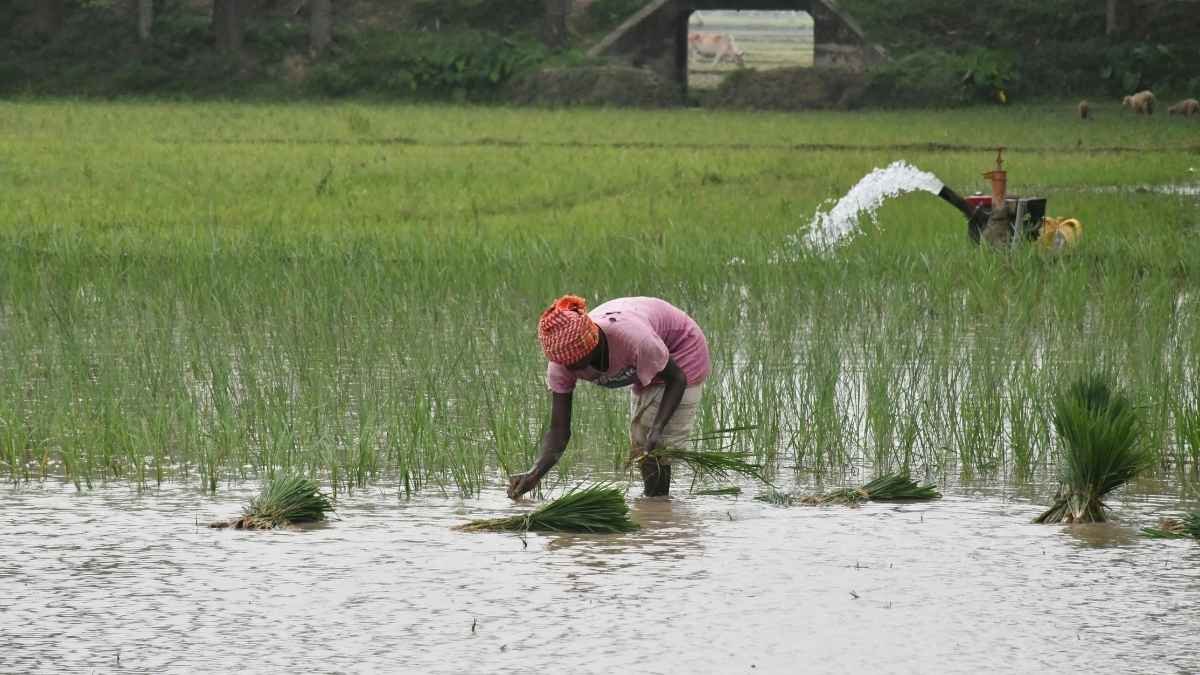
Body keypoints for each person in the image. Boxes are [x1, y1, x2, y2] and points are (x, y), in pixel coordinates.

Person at [507, 295, 710, 499]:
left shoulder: (633, 341)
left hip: (682, 353)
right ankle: (654, 507)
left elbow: (676, 379)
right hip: (649, 358)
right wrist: (535, 473)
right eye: (565, 364)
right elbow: (559, 430)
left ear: (592, 344)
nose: (571, 369)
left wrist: (658, 430)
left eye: (577, 363)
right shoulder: (562, 363)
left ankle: (658, 512)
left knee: (658, 446)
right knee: (641, 442)